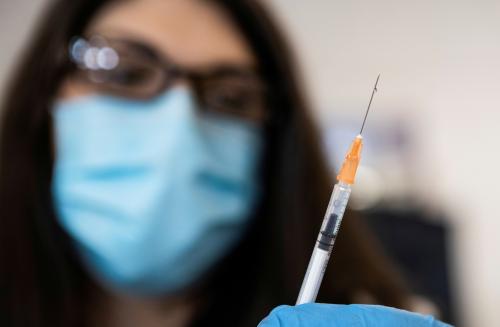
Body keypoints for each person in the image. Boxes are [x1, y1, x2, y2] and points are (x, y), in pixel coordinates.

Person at [0, 0, 450, 326]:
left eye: (231, 96)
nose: (179, 126)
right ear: (44, 94)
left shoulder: (356, 310)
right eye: (125, 72)